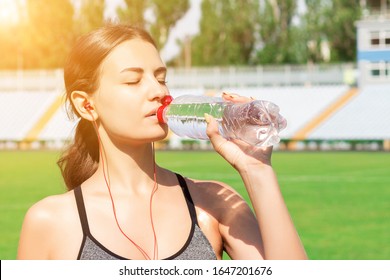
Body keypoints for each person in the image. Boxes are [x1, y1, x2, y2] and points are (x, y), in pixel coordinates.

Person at [17, 24, 307, 260]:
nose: (158, 91)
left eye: (161, 78)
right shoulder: (49, 222)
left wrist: (258, 170)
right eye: (133, 81)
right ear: (87, 105)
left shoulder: (214, 204)